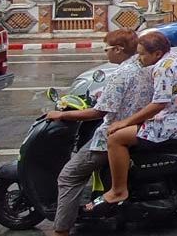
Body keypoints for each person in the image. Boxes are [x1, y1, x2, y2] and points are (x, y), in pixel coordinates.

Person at [84, 32, 177, 215]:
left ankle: (118, 190)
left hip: (174, 124)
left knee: (115, 138)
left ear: (157, 53)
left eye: (143, 54)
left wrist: (125, 122)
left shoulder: (162, 67)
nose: (139, 58)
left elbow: (159, 103)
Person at [47, 29, 153, 236]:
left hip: (112, 134)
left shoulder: (121, 74)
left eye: (106, 49)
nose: (105, 53)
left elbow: (99, 112)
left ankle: (61, 230)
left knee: (69, 176)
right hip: (138, 126)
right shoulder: (143, 66)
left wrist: (62, 116)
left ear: (118, 49)